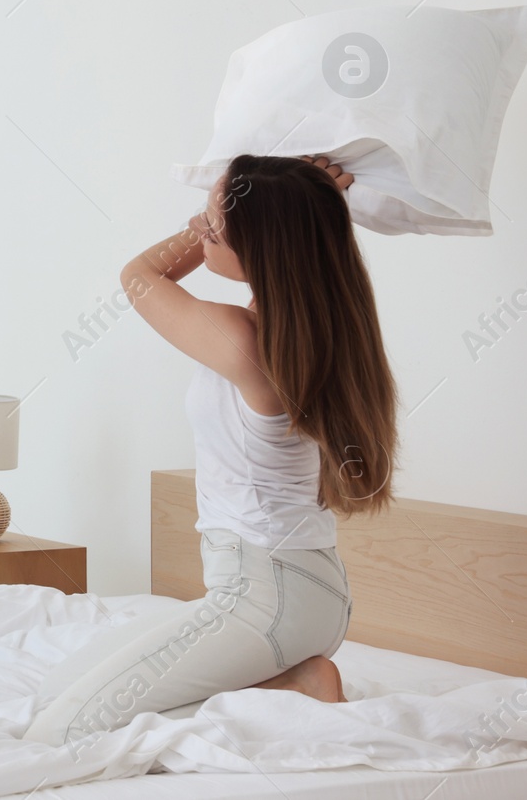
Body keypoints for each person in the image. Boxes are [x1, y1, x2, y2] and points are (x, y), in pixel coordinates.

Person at [23, 154, 398, 747]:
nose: (198, 229)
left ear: (261, 247)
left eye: (211, 224)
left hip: (266, 596)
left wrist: (271, 206)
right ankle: (291, 682)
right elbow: (272, 244)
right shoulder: (307, 329)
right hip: (297, 592)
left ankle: (290, 688)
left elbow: (140, 275)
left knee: (61, 732)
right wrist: (288, 200)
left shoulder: (245, 339)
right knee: (51, 694)